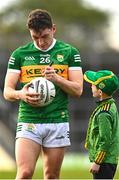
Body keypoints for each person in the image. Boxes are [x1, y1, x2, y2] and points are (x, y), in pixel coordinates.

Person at [3, 9, 83, 179]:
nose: (40, 42)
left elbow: (78, 90)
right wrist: (20, 94)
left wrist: (57, 79)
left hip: (57, 121)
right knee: (24, 173)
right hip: (28, 120)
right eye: (35, 38)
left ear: (53, 29)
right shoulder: (19, 54)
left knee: (51, 175)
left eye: (44, 36)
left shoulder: (69, 52)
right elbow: (7, 91)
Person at [84, 70, 119, 179]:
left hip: (104, 161)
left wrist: (97, 162)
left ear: (100, 92)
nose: (91, 86)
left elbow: (105, 140)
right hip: (108, 160)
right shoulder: (110, 105)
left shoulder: (104, 112)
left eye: (93, 85)